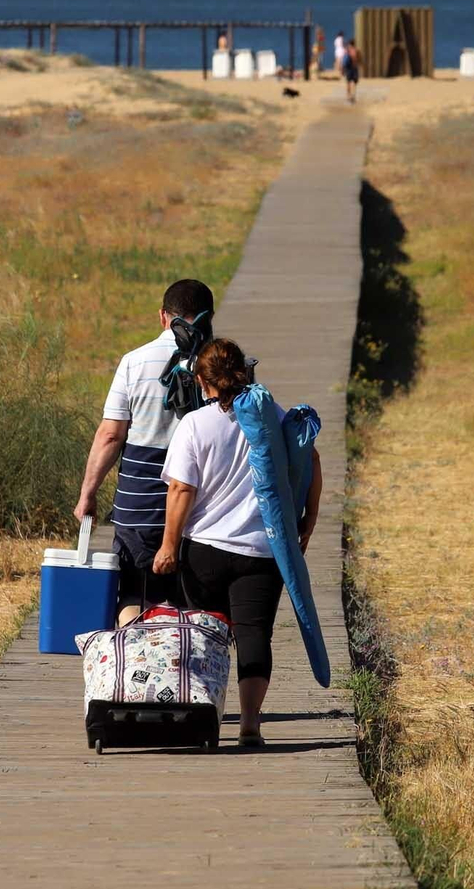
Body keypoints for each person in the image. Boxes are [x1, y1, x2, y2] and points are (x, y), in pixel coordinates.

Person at [153, 338, 322, 746]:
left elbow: (180, 490)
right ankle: (249, 723)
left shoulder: (194, 424)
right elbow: (310, 459)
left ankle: (204, 718)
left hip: (204, 552)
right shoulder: (269, 416)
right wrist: (309, 521)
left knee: (206, 635)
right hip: (262, 552)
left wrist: (168, 546)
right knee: (253, 635)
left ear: (200, 380)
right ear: (245, 371)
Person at [76, 279, 215, 626]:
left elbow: (111, 436)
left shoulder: (134, 362)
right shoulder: (222, 366)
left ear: (163, 316)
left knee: (135, 595)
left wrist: (88, 494)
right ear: (209, 317)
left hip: (140, 505)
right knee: (193, 603)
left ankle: (134, 669)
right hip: (203, 507)